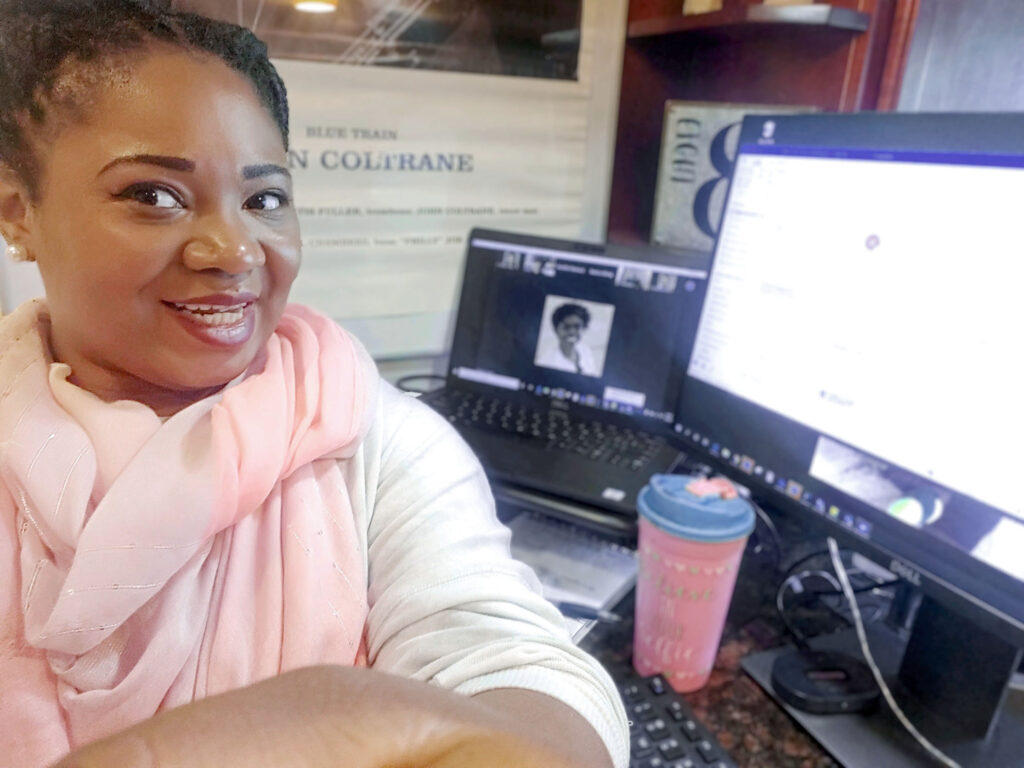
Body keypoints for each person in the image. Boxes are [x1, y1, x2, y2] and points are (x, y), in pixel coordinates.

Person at [0, 2, 627, 766]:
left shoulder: (375, 443)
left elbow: (514, 659)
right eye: (154, 195)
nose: (233, 250)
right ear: (18, 213)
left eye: (265, 199)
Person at [535, 302, 599, 377]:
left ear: (584, 328)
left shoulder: (586, 351)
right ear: (556, 330)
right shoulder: (546, 361)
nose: (572, 332)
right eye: (566, 327)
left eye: (577, 326)